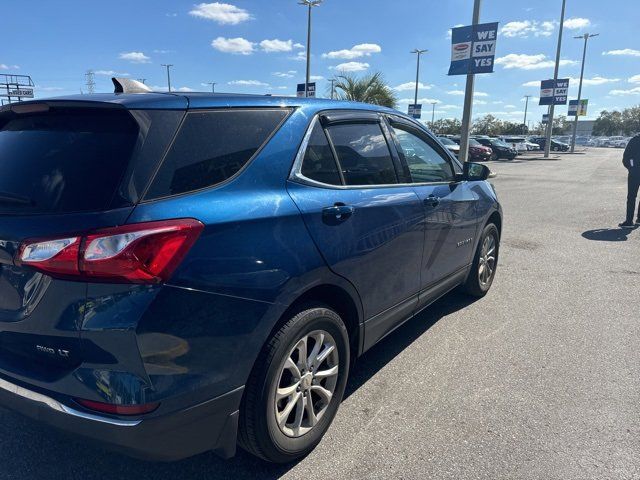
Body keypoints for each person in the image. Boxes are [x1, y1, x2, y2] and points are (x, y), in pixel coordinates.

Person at [619, 133, 640, 228]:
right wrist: (631, 168)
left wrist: (631, 168)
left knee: (631, 197)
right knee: (632, 197)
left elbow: (626, 157)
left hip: (634, 173)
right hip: (635, 172)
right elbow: (626, 157)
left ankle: (629, 221)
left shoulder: (634, 140)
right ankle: (635, 220)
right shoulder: (634, 140)